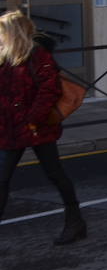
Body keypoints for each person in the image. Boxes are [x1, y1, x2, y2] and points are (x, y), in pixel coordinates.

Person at [0, 12, 85, 244]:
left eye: (2, 31)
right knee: (2, 178)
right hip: (10, 128)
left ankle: (75, 221)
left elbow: (49, 90)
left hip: (36, 126)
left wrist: (33, 119)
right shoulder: (4, 56)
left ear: (13, 32)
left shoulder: (38, 55)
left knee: (54, 173)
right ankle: (76, 222)